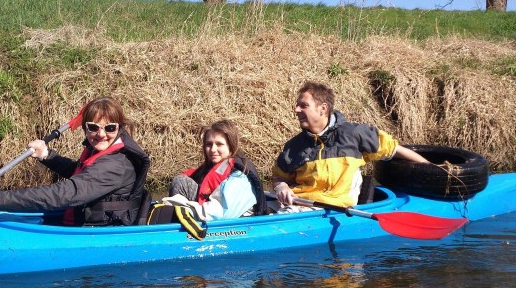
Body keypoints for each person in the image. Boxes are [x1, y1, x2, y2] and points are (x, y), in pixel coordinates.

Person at [0, 96, 150, 226]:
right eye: (93, 127)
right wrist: (47, 155)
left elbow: (66, 193)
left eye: (109, 128)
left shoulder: (116, 165)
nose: (101, 134)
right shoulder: (102, 151)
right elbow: (81, 171)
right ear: (85, 128)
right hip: (83, 221)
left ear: (119, 128)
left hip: (102, 232)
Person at [273, 81, 429, 209]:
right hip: (298, 202)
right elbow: (279, 177)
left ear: (323, 109)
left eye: (303, 105)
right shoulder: (293, 147)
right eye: (297, 105)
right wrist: (281, 186)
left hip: (332, 207)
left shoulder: (355, 134)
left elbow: (396, 150)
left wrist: (432, 170)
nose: (296, 110)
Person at [163, 119, 266, 221]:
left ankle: (178, 224)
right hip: (211, 209)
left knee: (180, 183)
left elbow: (220, 214)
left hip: (230, 221)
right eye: (209, 144)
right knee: (181, 182)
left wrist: (179, 208)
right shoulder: (212, 166)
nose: (212, 149)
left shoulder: (239, 177)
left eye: (219, 144)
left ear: (231, 146)